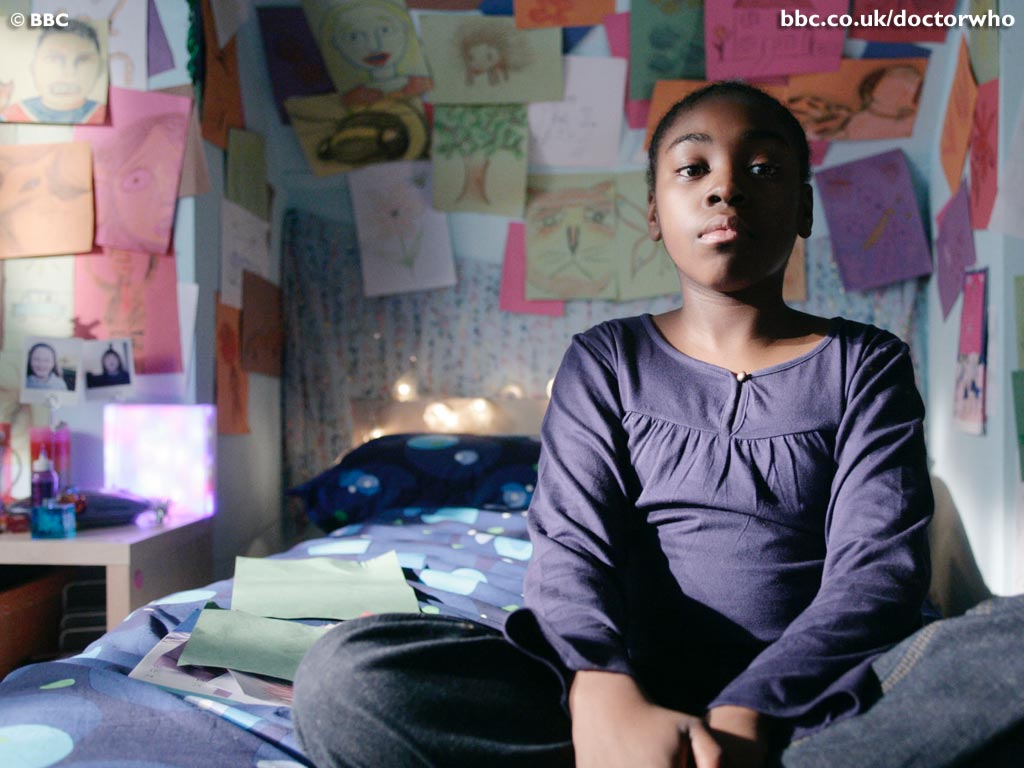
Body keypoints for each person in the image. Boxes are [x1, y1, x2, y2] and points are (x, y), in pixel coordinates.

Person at [291, 82, 1024, 768]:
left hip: (820, 702)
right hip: (624, 702)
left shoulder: (865, 363)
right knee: (349, 678)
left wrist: (751, 708)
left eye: (763, 169)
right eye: (693, 168)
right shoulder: (605, 361)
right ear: (653, 212)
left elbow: (877, 576)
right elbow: (571, 548)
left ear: (804, 210)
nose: (725, 187)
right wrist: (598, 687)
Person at [0, 19, 106, 125]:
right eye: (52, 59)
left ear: (100, 69)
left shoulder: (104, 115)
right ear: (33, 67)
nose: (69, 73)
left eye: (83, 60)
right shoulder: (8, 115)